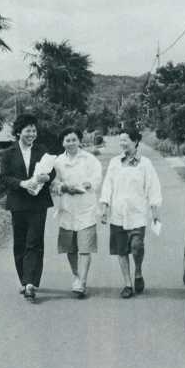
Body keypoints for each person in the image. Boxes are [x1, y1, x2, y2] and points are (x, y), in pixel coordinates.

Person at [100, 130, 162, 299]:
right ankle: (128, 284)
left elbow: (153, 187)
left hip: (137, 214)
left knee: (136, 246)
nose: (122, 143)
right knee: (121, 250)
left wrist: (155, 210)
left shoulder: (145, 164)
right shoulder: (114, 163)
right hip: (118, 214)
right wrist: (104, 207)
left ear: (135, 142)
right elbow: (108, 185)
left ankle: (138, 272)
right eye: (121, 140)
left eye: (125, 140)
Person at [0, 113, 55, 302]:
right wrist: (23, 184)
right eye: (28, 130)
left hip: (38, 203)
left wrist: (47, 178)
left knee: (35, 241)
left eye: (34, 130)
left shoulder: (42, 150)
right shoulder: (8, 153)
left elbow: (52, 172)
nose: (32, 134)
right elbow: (4, 178)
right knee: (20, 243)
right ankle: (24, 280)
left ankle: (30, 283)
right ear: (18, 132)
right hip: (18, 203)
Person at [52, 127, 102, 298]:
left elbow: (96, 178)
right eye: (67, 140)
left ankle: (82, 281)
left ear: (79, 141)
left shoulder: (90, 159)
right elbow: (54, 183)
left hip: (86, 208)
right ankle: (76, 275)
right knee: (70, 248)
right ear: (62, 143)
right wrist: (63, 187)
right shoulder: (58, 161)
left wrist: (87, 184)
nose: (71, 143)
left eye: (74, 139)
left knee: (85, 248)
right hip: (66, 209)